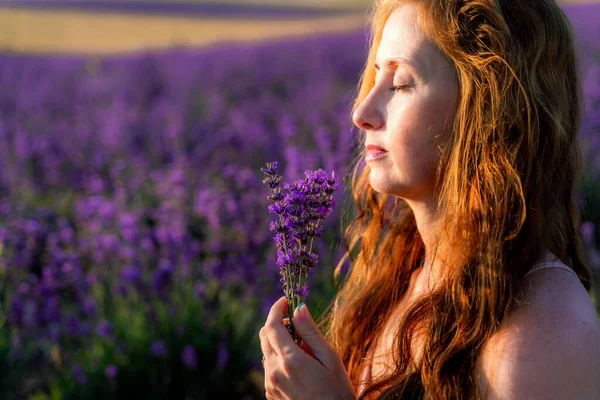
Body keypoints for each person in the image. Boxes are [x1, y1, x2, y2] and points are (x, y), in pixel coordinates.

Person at [258, 0, 600, 398]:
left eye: (401, 83)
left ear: (487, 108)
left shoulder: (540, 331)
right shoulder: (406, 273)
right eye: (374, 78)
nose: (362, 111)